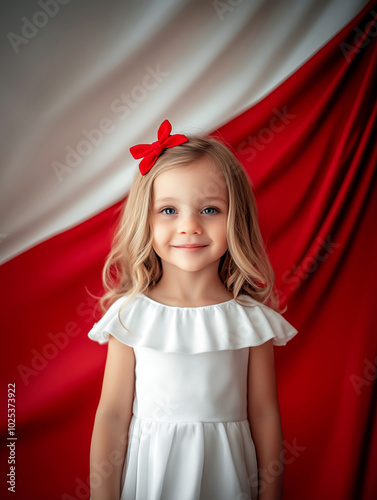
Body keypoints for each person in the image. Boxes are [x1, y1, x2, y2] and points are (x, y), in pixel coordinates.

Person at [88, 120, 298, 500]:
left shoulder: (250, 321)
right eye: (169, 210)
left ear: (236, 218)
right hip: (152, 478)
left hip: (228, 476)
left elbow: (264, 414)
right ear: (145, 220)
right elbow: (113, 416)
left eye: (210, 209)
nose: (189, 227)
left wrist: (272, 493)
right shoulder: (131, 316)